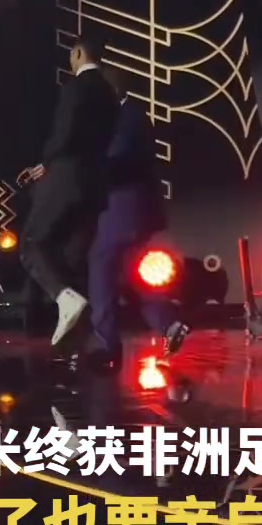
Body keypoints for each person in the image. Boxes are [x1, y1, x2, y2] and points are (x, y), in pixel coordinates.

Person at [18, 34, 120, 348]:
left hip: (66, 178)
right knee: (73, 258)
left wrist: (46, 162)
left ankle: (64, 298)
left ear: (77, 54)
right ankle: (77, 341)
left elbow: (65, 133)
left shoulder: (75, 88)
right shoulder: (109, 93)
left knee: (32, 243)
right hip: (95, 185)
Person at [87, 66, 189, 368]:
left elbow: (118, 162)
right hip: (131, 209)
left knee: (101, 269)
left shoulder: (127, 117)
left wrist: (86, 171)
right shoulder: (128, 115)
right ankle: (169, 324)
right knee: (133, 273)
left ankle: (107, 345)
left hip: (123, 208)